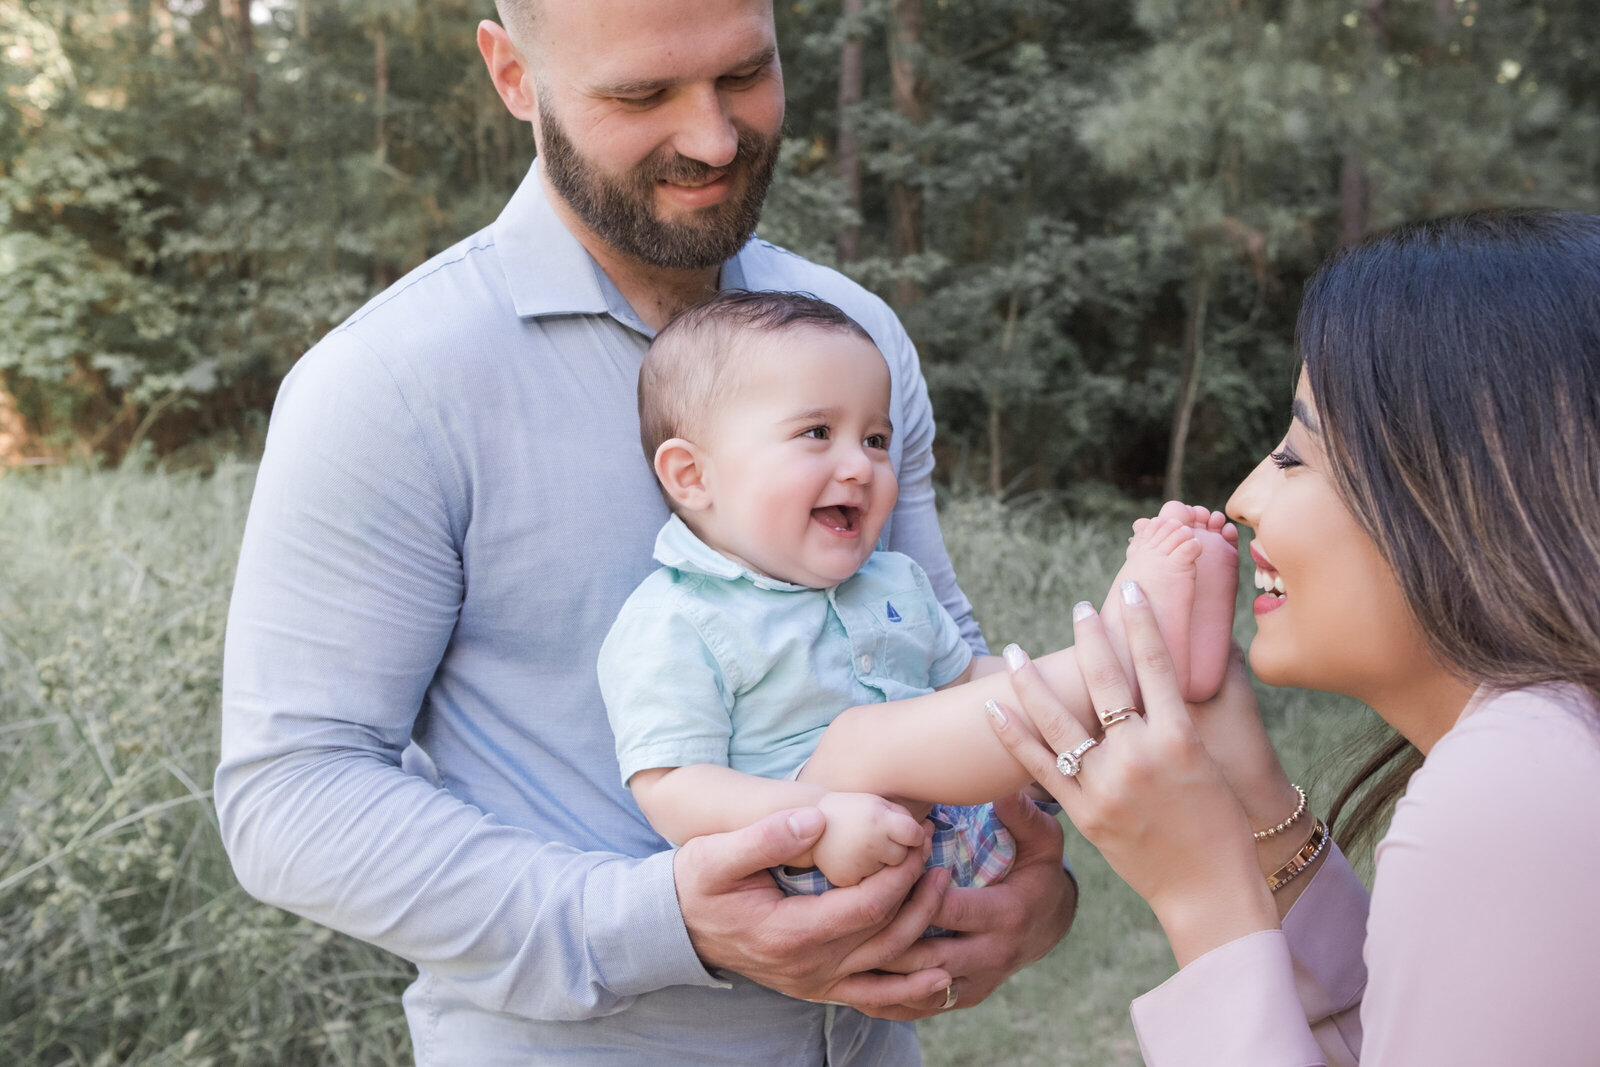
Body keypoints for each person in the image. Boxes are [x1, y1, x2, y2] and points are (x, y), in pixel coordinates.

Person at [214, 1, 1080, 1063]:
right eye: (642, 94)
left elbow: (921, 628)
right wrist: (662, 920)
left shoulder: (855, 337)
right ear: (513, 74)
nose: (714, 140)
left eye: (744, 75)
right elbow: (290, 793)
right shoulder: (388, 386)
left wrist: (1037, 890)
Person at [985, 209, 1600, 1065]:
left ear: (1475, 485)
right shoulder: (1549, 751)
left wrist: (1202, 893)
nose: (1241, 496)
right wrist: (1257, 798)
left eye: (1296, 455)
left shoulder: (1516, 784)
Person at [600, 289, 1241, 903]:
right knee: (861, 741)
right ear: (692, 475)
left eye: (876, 440)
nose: (860, 465)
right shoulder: (676, 616)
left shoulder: (893, 581)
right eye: (817, 432)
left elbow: (965, 684)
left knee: (1001, 705)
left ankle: (1152, 677)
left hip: (959, 839)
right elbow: (673, 787)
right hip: (815, 860)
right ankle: (1121, 657)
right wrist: (817, 819)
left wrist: (1031, 690)